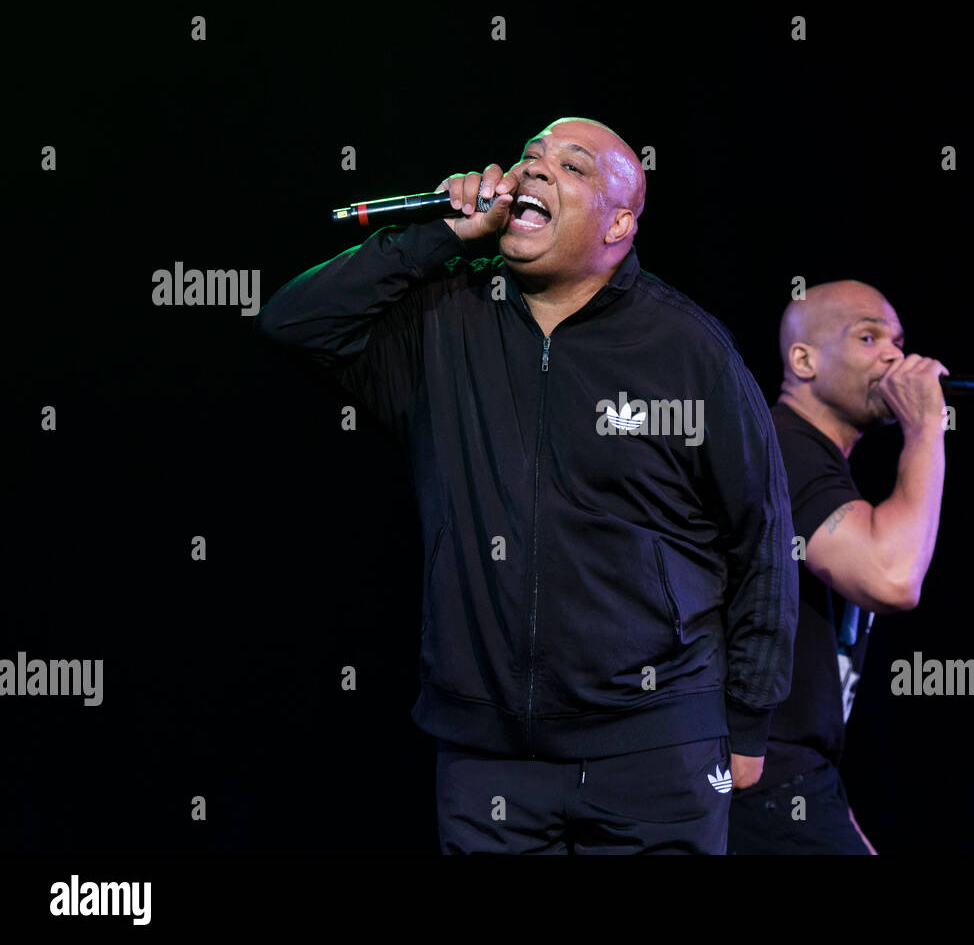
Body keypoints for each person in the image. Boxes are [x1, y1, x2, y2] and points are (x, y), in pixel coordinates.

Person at [255, 118, 797, 854]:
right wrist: (438, 237)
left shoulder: (688, 350)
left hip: (657, 742)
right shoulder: (445, 321)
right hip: (488, 754)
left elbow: (762, 538)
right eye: (529, 158)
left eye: (572, 168)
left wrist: (750, 721)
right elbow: (293, 323)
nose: (535, 171)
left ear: (620, 222)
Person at [727, 280, 947, 854]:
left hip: (789, 779)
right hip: (762, 775)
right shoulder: (784, 449)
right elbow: (892, 577)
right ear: (803, 359)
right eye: (868, 337)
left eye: (898, 343)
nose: (894, 357)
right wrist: (926, 430)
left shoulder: (806, 456)